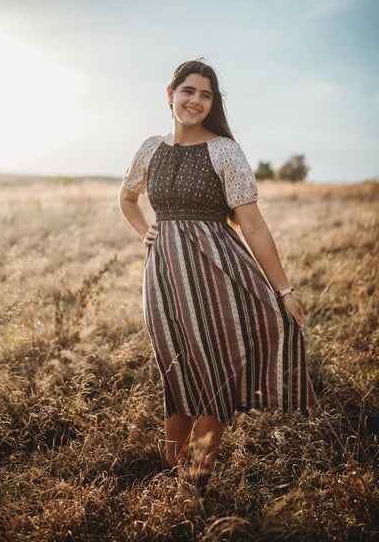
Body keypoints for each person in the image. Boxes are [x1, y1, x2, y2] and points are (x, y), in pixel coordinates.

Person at [118, 59, 314, 489]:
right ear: (170, 95)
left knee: (214, 369)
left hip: (219, 273)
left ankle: (197, 478)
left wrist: (284, 291)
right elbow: (127, 198)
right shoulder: (150, 148)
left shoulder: (224, 150)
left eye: (206, 95)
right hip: (164, 276)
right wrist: (145, 232)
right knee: (176, 367)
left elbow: (253, 224)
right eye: (189, 91)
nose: (196, 101)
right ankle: (173, 472)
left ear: (212, 103)